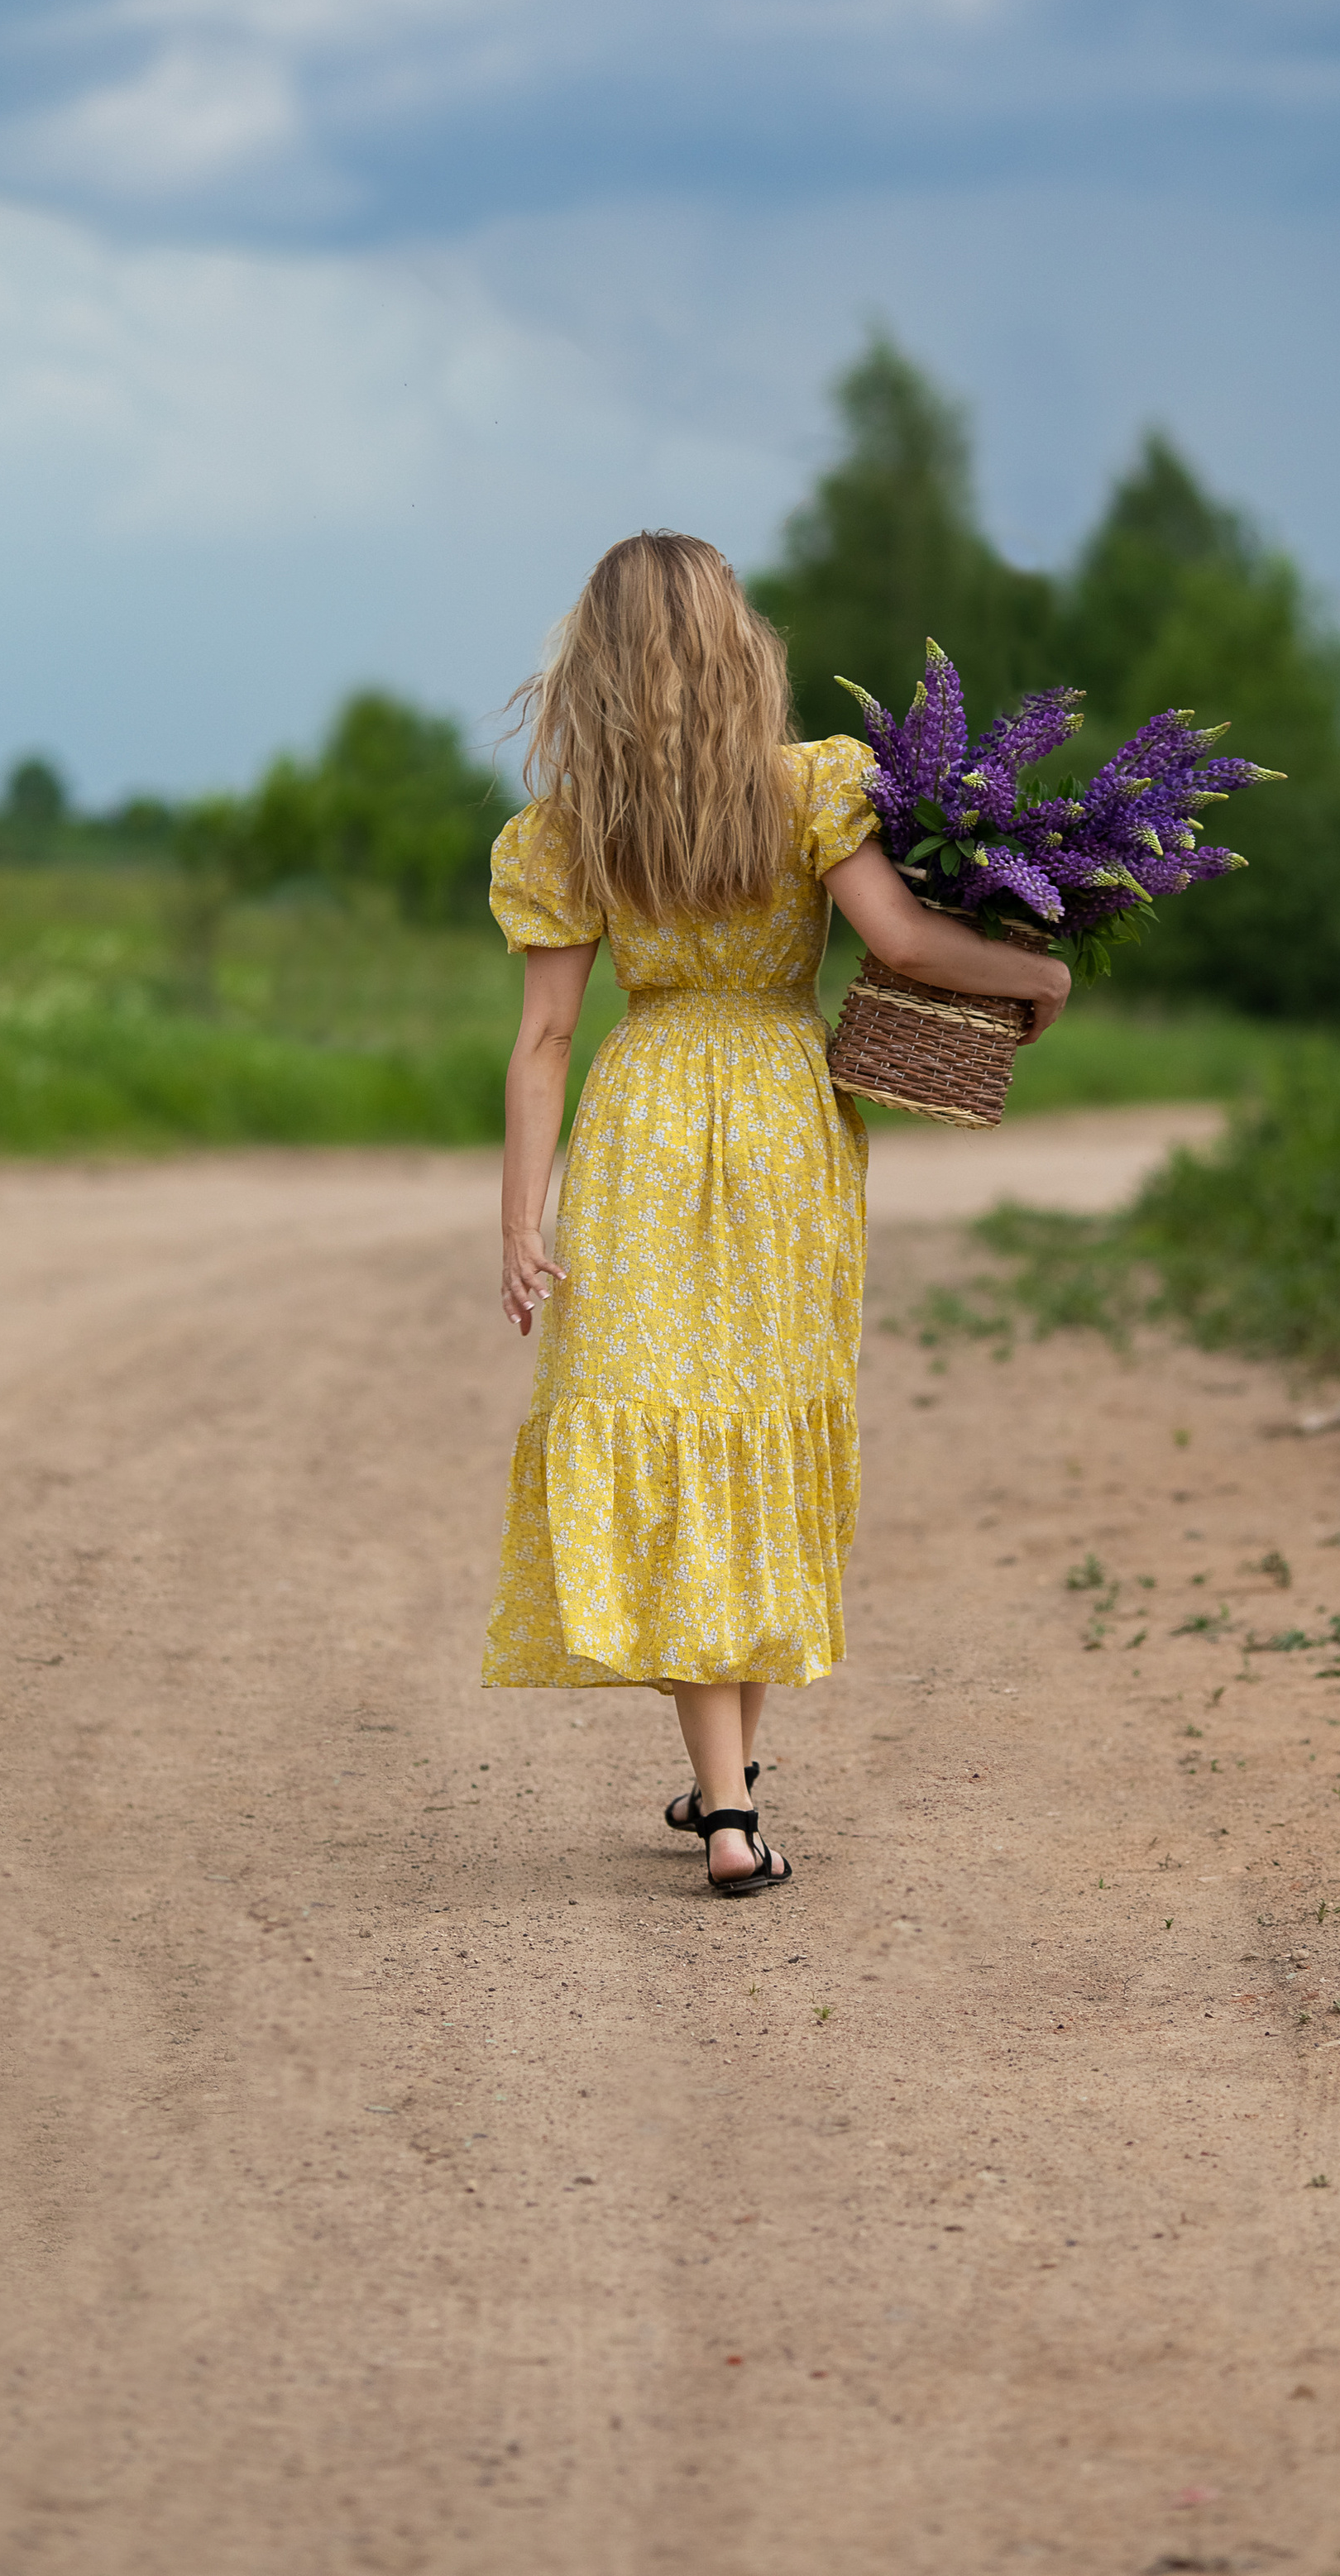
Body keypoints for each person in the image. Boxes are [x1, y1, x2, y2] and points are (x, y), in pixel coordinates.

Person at [486, 533, 1070, 1895]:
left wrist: (524, 1220)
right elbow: (909, 947)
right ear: (737, 645)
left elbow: (544, 1043)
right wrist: (1033, 969)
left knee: (675, 1420)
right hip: (784, 1118)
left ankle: (726, 1795)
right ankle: (731, 1808)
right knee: (751, 1418)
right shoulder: (813, 787)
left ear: (600, 665)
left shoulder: (575, 827)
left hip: (641, 1118)